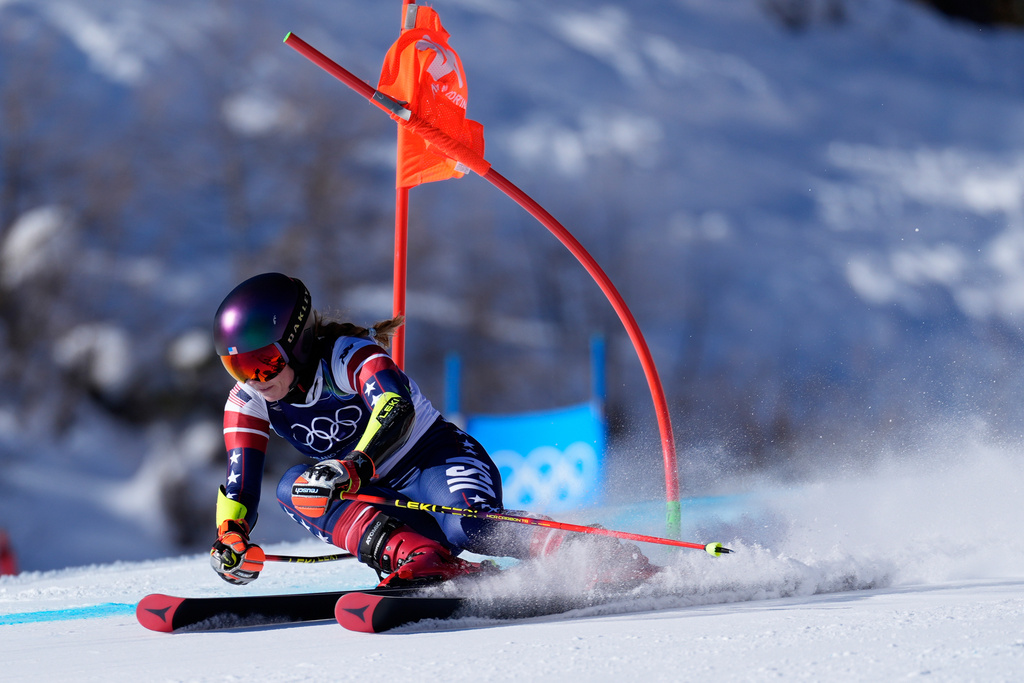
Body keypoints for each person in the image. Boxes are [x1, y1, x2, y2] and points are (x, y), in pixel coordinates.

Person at [209, 272, 657, 588]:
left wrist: (353, 466)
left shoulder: (346, 356)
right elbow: (239, 479)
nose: (254, 378)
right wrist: (231, 537)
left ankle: (593, 552)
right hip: (379, 497)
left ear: (298, 341)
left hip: (436, 461)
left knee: (471, 526)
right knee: (294, 486)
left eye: (263, 361)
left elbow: (395, 407)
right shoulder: (248, 399)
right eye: (237, 366)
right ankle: (421, 558)